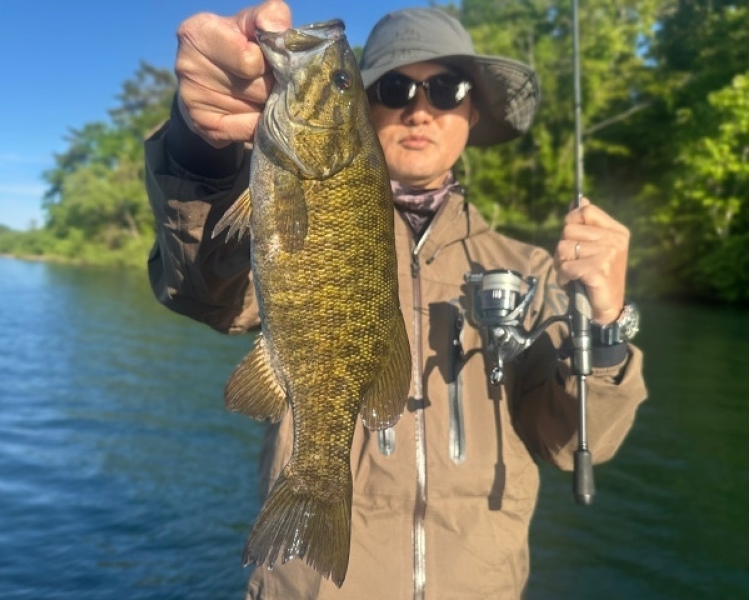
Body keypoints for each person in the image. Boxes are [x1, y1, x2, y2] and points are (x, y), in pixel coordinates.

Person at [144, 1, 648, 598]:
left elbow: (570, 441)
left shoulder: (531, 271)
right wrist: (201, 149)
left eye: (447, 88)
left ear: (473, 110)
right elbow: (205, 287)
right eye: (393, 88)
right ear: (364, 106)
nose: (419, 109)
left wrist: (608, 325)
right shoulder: (287, 190)